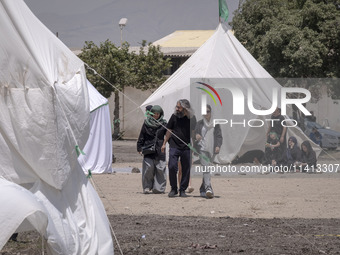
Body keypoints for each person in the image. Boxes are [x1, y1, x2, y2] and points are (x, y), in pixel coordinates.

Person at [161, 99, 196, 197]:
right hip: (174, 145)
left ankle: (182, 190)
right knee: (172, 166)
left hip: (186, 147)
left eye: (179, 107)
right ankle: (173, 189)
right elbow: (169, 131)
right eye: (176, 107)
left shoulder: (192, 118)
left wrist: (194, 147)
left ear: (185, 108)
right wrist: (164, 143)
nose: (176, 109)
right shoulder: (174, 117)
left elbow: (193, 134)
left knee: (186, 168)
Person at [137, 105, 167, 194]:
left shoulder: (164, 124)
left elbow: (168, 135)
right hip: (148, 148)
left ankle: (159, 189)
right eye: (154, 113)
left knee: (160, 169)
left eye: (158, 113)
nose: (156, 115)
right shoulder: (146, 123)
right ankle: (146, 187)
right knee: (148, 168)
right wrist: (139, 147)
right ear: (151, 113)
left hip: (160, 149)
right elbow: (142, 135)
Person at [195, 105, 222, 198]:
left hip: (212, 149)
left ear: (211, 112)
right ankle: (208, 188)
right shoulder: (199, 123)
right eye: (204, 112)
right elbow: (195, 134)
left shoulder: (215, 123)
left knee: (207, 170)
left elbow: (219, 136)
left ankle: (203, 189)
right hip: (202, 149)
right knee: (206, 168)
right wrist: (196, 136)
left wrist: (218, 145)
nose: (206, 113)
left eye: (208, 111)